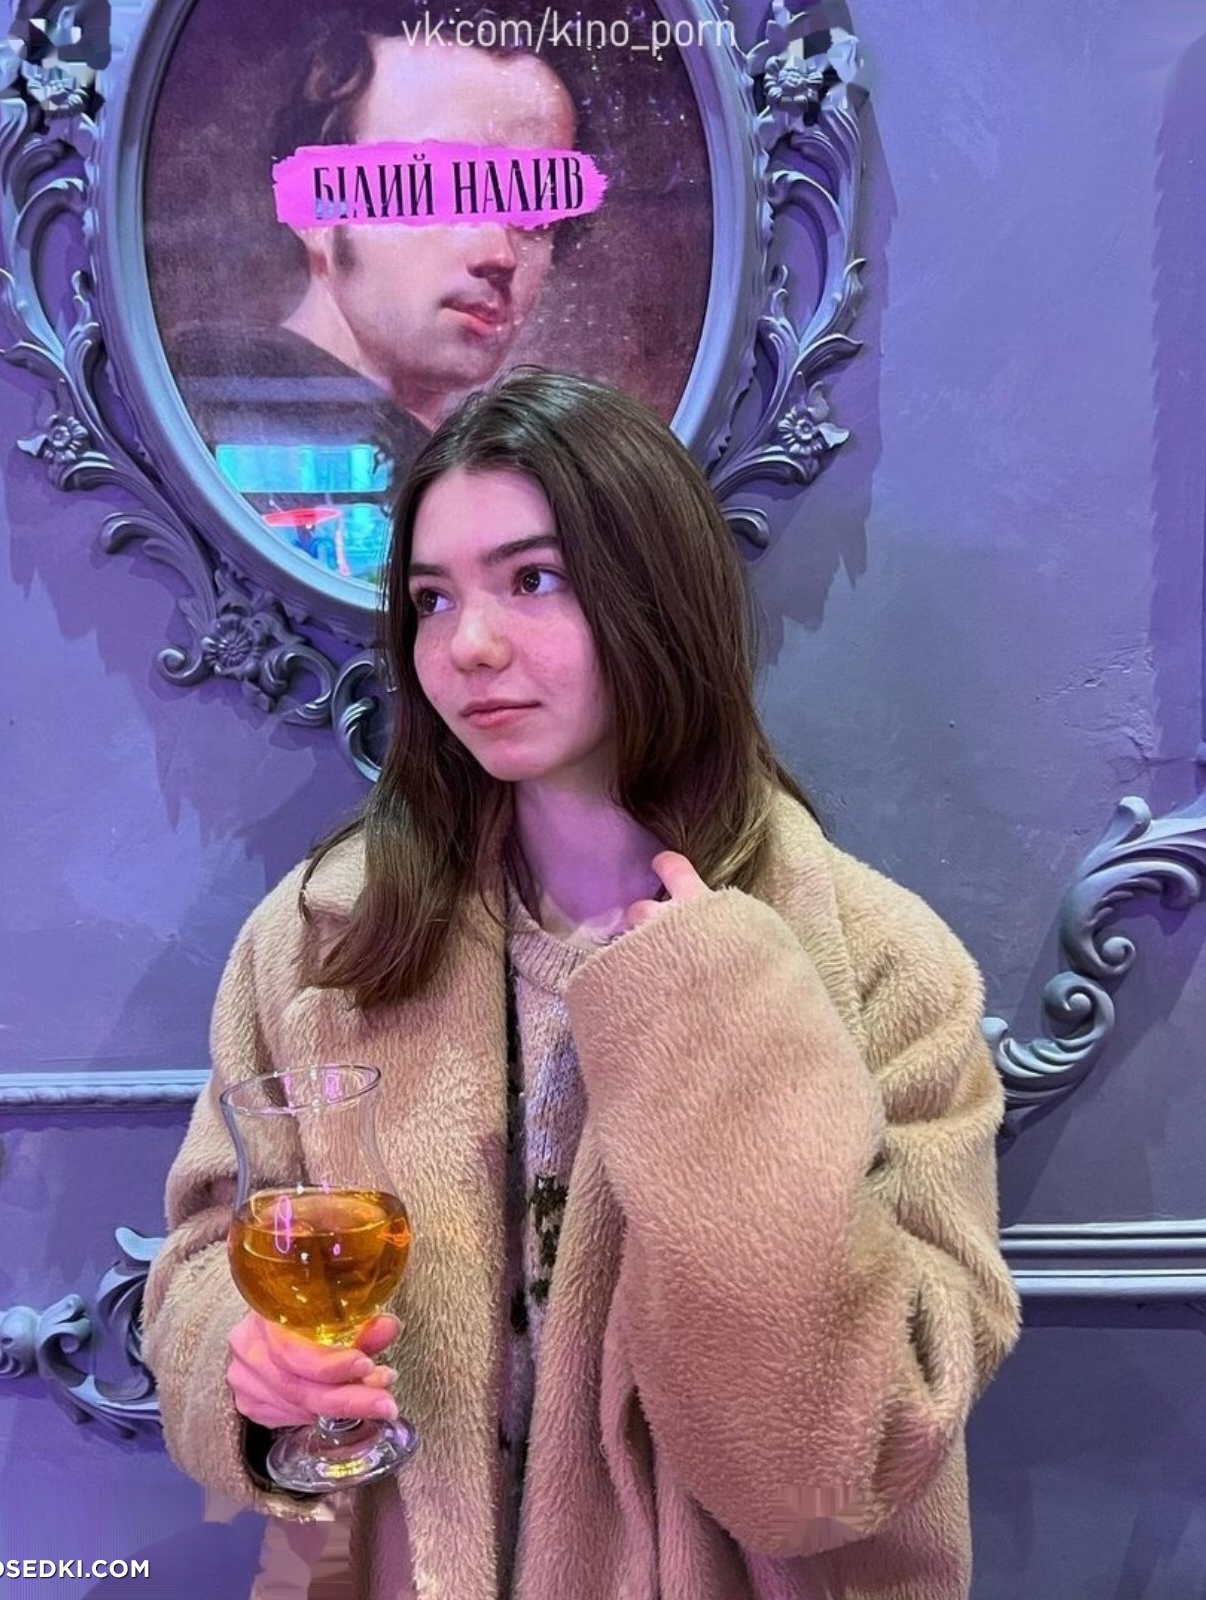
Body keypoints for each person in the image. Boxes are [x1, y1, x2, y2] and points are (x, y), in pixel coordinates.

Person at [141, 368, 1023, 1600]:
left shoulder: (876, 966)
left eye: (534, 579)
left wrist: (714, 1003)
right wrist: (243, 1370)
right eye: (431, 599)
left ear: (656, 596)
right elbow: (200, 1257)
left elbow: (831, 1466)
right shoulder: (319, 942)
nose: (469, 645)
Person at [172, 16, 580, 583]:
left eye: (536, 207)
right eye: (440, 187)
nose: (500, 253)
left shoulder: (469, 469)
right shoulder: (211, 417)